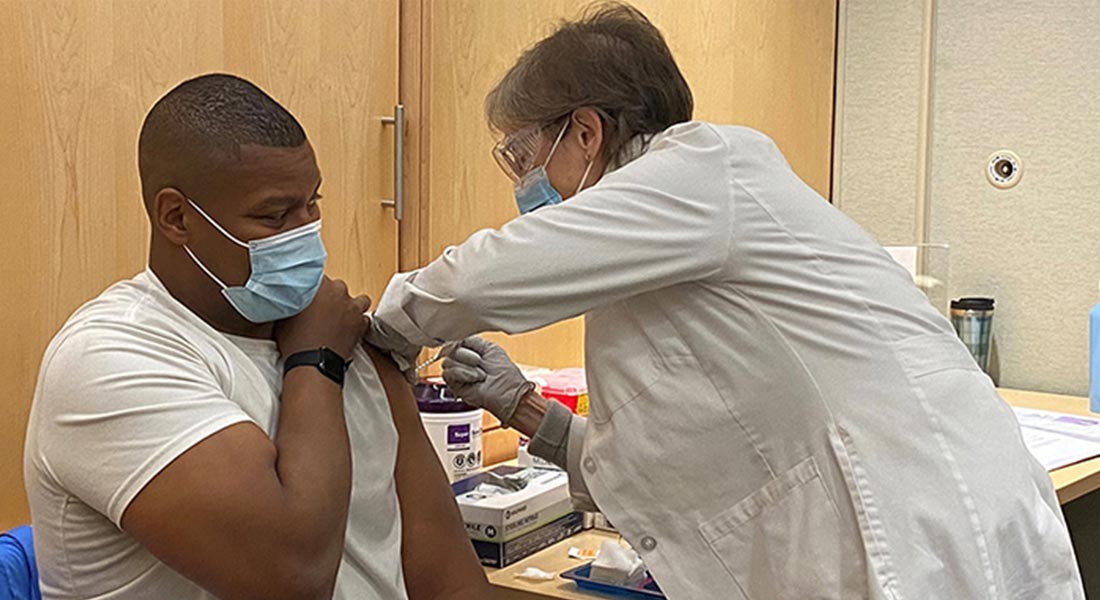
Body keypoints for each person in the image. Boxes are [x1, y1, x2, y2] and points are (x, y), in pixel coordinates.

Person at [366, 4, 1085, 599]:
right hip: (892, 524)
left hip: (918, 530)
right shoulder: (656, 250)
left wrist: (382, 324)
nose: (521, 184)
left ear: (586, 133)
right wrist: (524, 405)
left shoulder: (707, 171)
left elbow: (484, 276)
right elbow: (667, 459)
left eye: (521, 157)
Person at [23, 74, 488, 600]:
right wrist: (316, 361)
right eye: (273, 216)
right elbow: (293, 576)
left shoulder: (345, 341)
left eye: (311, 204)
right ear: (177, 217)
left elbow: (446, 571)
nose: (305, 231)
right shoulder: (109, 358)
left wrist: (329, 351)